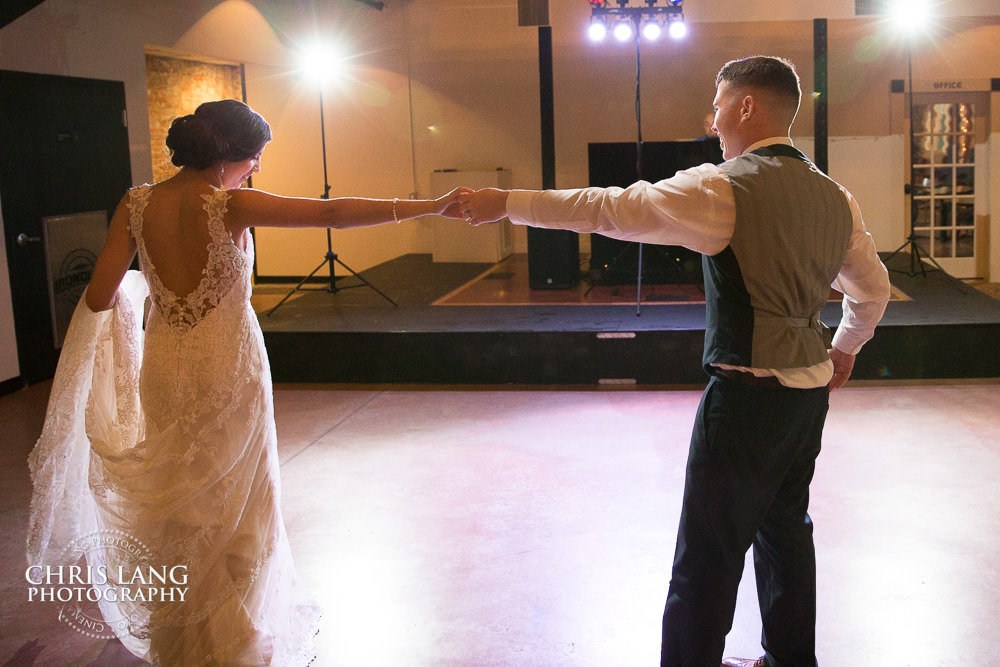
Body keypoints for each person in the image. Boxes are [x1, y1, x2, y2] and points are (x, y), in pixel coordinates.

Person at [458, 56, 891, 667]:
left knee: (706, 558)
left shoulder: (723, 187)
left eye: (716, 105)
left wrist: (507, 202)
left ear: (746, 107)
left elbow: (607, 208)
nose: (710, 120)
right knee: (786, 535)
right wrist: (844, 349)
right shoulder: (835, 196)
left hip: (745, 398)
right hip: (807, 398)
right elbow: (871, 290)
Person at [26, 99, 464, 665]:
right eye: (256, 157)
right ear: (230, 154)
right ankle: (230, 642)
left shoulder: (135, 204)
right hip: (227, 370)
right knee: (235, 502)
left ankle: (183, 635)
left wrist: (150, 298)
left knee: (182, 503)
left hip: (163, 367)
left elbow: (98, 297)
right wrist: (431, 206)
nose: (256, 168)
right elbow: (332, 213)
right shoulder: (229, 205)